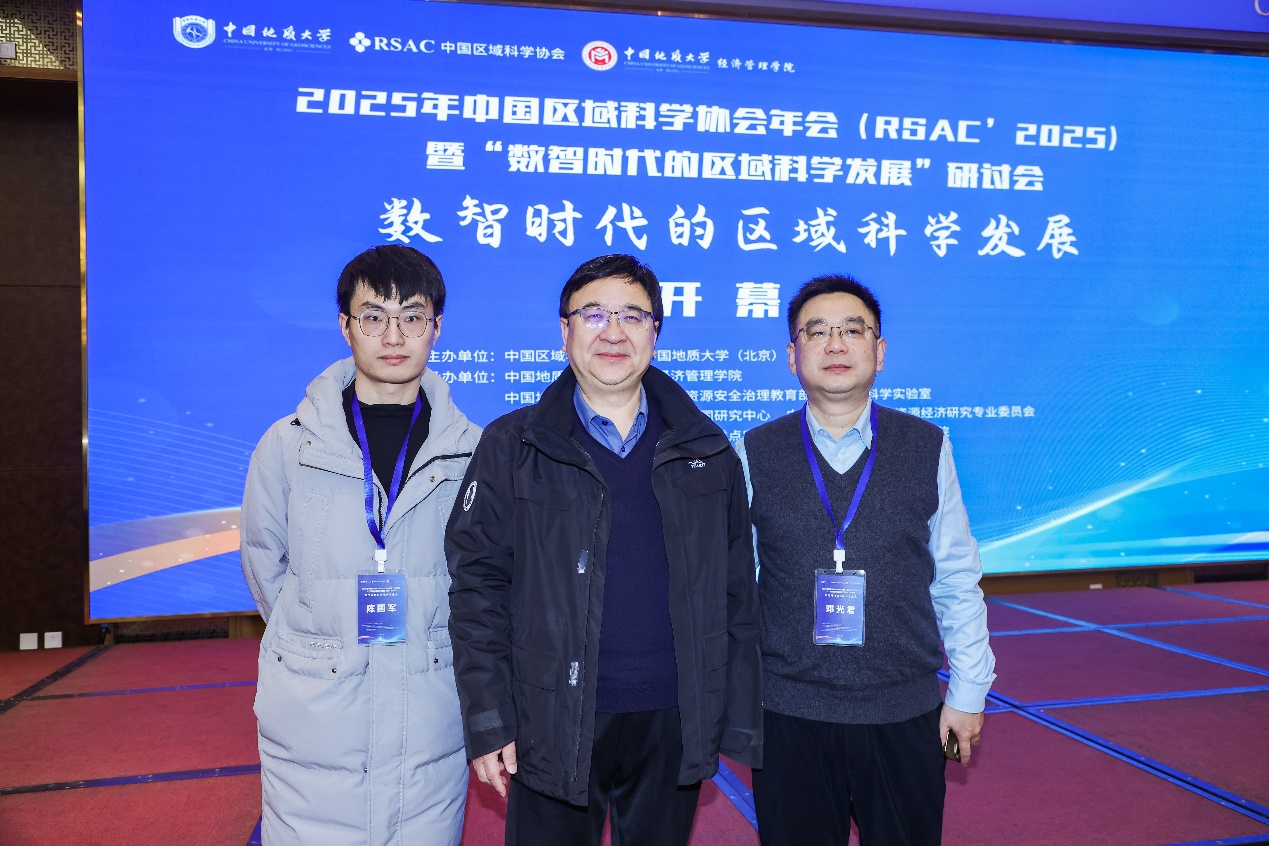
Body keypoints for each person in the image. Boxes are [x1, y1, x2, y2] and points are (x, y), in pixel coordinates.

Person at [446, 253, 762, 846]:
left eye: (632, 316)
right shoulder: (513, 445)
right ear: (564, 331)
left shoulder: (706, 448)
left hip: (671, 718)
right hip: (549, 717)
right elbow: (477, 590)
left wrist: (733, 717)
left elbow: (736, 593)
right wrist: (489, 719)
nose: (613, 332)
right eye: (593, 315)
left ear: (655, 333)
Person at [737, 274, 996, 846]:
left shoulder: (928, 445)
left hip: (903, 710)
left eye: (852, 331)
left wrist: (968, 691)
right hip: (788, 713)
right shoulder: (753, 451)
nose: (835, 345)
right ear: (792, 355)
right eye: (817, 332)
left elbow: (956, 578)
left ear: (879, 352)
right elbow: (736, 589)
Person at [240, 245, 480, 845]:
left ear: (437, 327)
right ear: (345, 325)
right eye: (374, 316)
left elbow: (484, 579)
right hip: (316, 708)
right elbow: (266, 566)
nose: (393, 336)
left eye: (412, 317)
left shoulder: (473, 451)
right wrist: (320, 635)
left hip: (429, 706)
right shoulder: (289, 445)